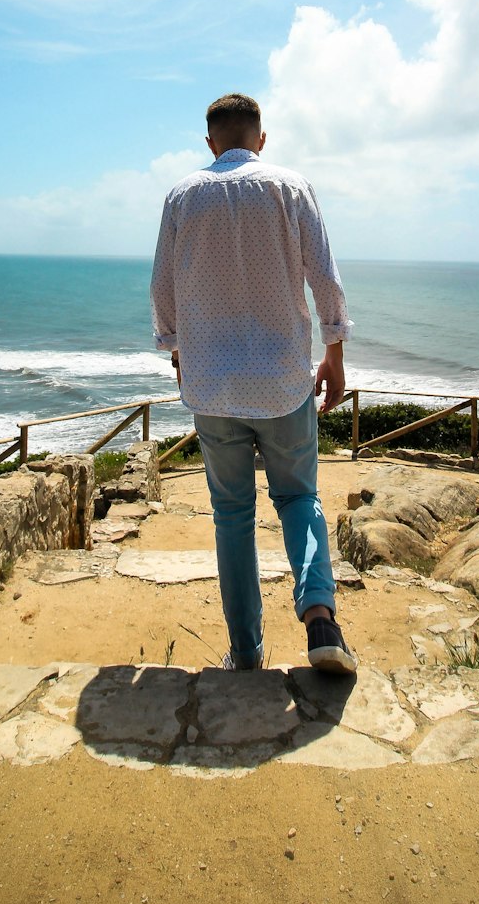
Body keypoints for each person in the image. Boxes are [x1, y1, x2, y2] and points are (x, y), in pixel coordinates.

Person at [150, 92, 357, 675]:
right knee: (298, 498)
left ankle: (246, 654)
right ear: (261, 140)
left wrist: (178, 356)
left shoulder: (181, 197)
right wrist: (335, 356)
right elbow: (326, 280)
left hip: (212, 387)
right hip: (285, 381)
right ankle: (320, 617)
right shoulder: (290, 187)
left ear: (211, 142)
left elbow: (162, 289)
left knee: (232, 515)